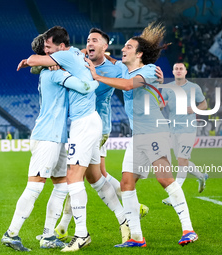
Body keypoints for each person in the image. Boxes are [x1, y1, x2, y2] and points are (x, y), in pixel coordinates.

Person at [85, 22, 198, 247]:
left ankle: (188, 229)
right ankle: (137, 238)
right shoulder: (130, 69)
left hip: (155, 133)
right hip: (138, 136)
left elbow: (128, 85)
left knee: (164, 178)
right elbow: (118, 65)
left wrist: (96, 76)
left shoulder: (147, 71)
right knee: (127, 183)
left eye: (128, 46)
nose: (123, 49)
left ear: (139, 54)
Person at [17, 26, 129, 252]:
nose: (48, 54)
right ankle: (125, 221)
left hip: (85, 123)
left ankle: (81, 234)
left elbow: (33, 59)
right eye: (88, 39)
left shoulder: (65, 57)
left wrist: (33, 62)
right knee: (96, 178)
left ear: (60, 47)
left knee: (73, 178)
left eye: (50, 48)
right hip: (89, 122)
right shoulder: (76, 54)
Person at [1, 34, 99, 251]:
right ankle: (11, 233)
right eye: (48, 50)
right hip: (47, 137)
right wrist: (94, 79)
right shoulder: (54, 75)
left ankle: (48, 236)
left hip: (57, 137)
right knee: (34, 187)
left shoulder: (52, 71)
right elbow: (84, 87)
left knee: (61, 186)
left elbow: (72, 54)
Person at [54, 28, 152, 241]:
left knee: (80, 174)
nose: (89, 44)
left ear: (105, 46)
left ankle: (67, 226)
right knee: (94, 175)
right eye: (88, 40)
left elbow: (133, 76)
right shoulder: (82, 59)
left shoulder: (116, 68)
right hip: (83, 124)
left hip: (97, 126)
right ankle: (129, 213)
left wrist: (151, 71)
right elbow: (76, 53)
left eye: (95, 40)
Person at [160, 63, 209, 197]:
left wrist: (194, 109)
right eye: (176, 69)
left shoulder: (194, 87)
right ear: (173, 72)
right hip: (174, 130)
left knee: (182, 160)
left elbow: (204, 104)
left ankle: (174, 195)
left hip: (188, 129)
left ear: (185, 72)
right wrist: (159, 105)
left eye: (181, 68)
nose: (179, 71)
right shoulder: (168, 88)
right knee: (183, 161)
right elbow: (160, 105)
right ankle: (201, 176)